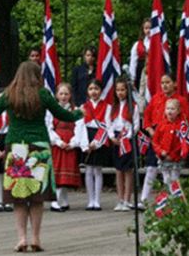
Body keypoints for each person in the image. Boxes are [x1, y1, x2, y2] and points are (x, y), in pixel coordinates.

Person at [0, 61, 83, 252]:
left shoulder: (9, 94)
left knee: (19, 196)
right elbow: (63, 114)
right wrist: (79, 113)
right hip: (39, 147)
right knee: (37, 196)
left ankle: (21, 238)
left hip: (16, 147)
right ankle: (36, 238)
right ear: (37, 75)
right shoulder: (43, 94)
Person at [139, 74, 189, 207]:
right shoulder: (156, 98)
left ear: (174, 83)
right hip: (157, 135)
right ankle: (144, 199)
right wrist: (151, 131)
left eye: (168, 82)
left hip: (174, 138)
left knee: (172, 174)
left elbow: (185, 120)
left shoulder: (181, 100)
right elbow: (147, 117)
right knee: (151, 168)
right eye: (162, 83)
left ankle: (173, 200)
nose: (165, 85)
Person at [46, 83, 85, 212]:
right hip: (58, 145)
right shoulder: (52, 110)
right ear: (56, 95)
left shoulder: (75, 110)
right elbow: (48, 127)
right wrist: (58, 141)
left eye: (66, 94)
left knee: (66, 175)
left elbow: (79, 127)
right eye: (61, 94)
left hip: (69, 144)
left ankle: (63, 200)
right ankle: (54, 201)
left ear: (70, 95)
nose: (63, 96)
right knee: (57, 174)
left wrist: (73, 143)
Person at [78, 79, 111, 211]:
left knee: (97, 169)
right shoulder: (83, 107)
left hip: (99, 138)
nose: (93, 92)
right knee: (88, 170)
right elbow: (80, 126)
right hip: (86, 137)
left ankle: (97, 200)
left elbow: (106, 126)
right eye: (91, 89)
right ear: (87, 91)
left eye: (96, 89)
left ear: (101, 91)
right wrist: (85, 144)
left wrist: (96, 142)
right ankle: (90, 200)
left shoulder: (107, 107)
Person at [108, 78, 140, 211]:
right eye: (118, 90)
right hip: (116, 138)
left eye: (123, 89)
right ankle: (120, 199)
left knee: (128, 169)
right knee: (118, 169)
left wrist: (127, 137)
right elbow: (108, 123)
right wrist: (111, 136)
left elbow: (136, 125)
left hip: (127, 138)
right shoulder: (112, 107)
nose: (120, 92)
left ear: (127, 90)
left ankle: (127, 199)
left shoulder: (134, 106)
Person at [128, 18, 151, 104]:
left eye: (150, 28)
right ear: (143, 30)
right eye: (146, 28)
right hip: (141, 72)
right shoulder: (137, 45)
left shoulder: (159, 43)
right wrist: (132, 78)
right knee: (141, 94)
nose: (148, 30)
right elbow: (133, 62)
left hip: (155, 71)